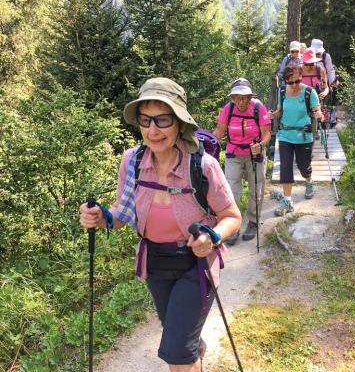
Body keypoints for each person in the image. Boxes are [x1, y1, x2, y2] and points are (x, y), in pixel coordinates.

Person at [79, 77, 242, 372]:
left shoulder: (203, 166)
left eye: (162, 120)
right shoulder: (132, 161)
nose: (153, 130)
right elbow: (121, 214)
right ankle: (192, 348)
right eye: (145, 120)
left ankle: (188, 350)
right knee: (179, 335)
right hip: (155, 264)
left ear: (179, 122)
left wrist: (212, 236)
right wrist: (101, 217)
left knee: (176, 352)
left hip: (197, 266)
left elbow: (232, 216)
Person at [213, 78, 271, 245]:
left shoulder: (258, 108)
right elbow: (219, 132)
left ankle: (253, 221)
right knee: (231, 190)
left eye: (245, 97)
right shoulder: (228, 109)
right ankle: (233, 224)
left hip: (255, 154)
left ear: (250, 97)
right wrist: (205, 143)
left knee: (256, 188)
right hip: (233, 153)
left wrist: (260, 145)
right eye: (237, 98)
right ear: (232, 98)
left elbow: (267, 134)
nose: (241, 101)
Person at [269, 66, 323, 215]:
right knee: (285, 167)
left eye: (297, 81)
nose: (294, 85)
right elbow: (279, 110)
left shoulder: (309, 92)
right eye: (290, 82)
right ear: (286, 81)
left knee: (303, 166)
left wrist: (318, 114)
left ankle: (308, 180)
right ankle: (287, 201)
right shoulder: (282, 91)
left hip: (304, 136)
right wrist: (273, 115)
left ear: (301, 77)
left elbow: (316, 109)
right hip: (285, 135)